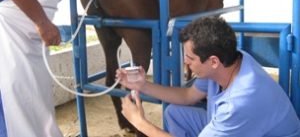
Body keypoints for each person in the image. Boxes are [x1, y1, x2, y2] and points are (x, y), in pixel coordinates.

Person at [0, 0, 118, 137]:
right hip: (9, 29)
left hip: (32, 38)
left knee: (38, 95)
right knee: (14, 93)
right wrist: (43, 23)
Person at [116, 16, 300, 137]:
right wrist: (142, 85)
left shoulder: (239, 102)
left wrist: (140, 123)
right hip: (241, 127)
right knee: (175, 112)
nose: (186, 63)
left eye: (190, 58)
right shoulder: (227, 59)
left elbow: (233, 108)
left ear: (213, 61)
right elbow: (188, 96)